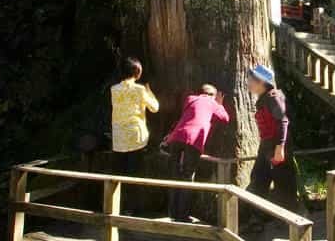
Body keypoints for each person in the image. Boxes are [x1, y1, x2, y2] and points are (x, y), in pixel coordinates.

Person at [165, 84, 230, 221]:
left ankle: (172, 211)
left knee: (174, 175)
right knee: (188, 176)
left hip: (177, 137)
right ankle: (182, 215)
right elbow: (225, 118)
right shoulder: (212, 102)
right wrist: (220, 104)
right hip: (194, 139)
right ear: (213, 95)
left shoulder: (190, 99)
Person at [246, 65, 299, 216]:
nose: (248, 83)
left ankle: (290, 220)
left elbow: (283, 121)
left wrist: (280, 147)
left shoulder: (273, 97)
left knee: (284, 183)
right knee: (258, 179)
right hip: (266, 147)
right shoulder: (263, 99)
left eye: (251, 80)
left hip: (278, 146)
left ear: (261, 82)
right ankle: (256, 218)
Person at [110, 57, 159, 177]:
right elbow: (155, 108)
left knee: (120, 174)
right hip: (136, 138)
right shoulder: (140, 89)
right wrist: (149, 92)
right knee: (136, 174)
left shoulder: (114, 89)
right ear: (137, 72)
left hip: (118, 138)